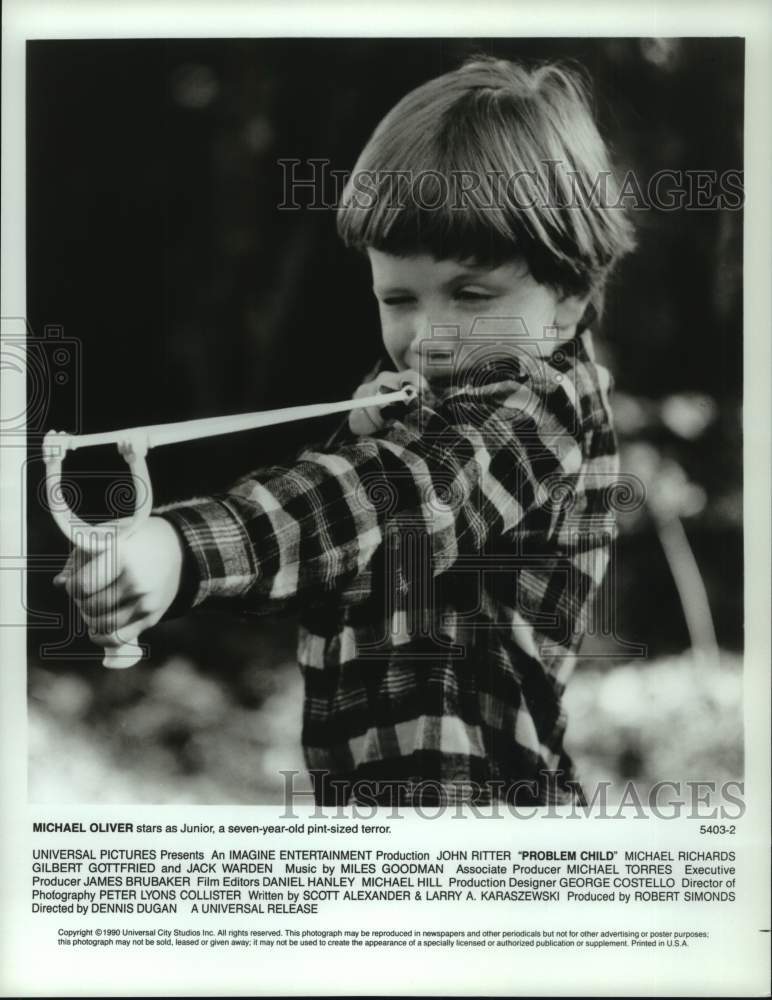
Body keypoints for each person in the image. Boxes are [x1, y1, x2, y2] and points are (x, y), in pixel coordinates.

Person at [55, 55, 635, 808]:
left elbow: (393, 503)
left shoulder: (542, 405)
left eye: (470, 294)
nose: (428, 336)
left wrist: (179, 549)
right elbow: (322, 551)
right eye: (398, 299)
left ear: (569, 292)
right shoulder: (418, 408)